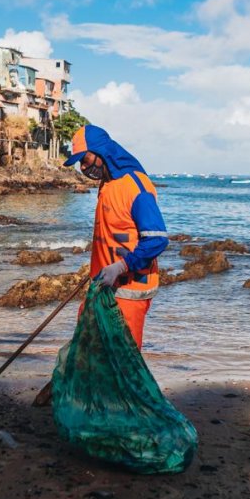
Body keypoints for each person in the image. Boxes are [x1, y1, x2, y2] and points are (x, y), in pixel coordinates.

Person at [64, 124, 169, 349]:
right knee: (89, 350)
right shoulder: (107, 184)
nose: (83, 167)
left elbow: (157, 239)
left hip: (129, 292)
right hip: (103, 287)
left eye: (85, 159)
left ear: (101, 151)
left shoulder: (135, 186)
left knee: (123, 357)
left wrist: (120, 267)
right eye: (80, 163)